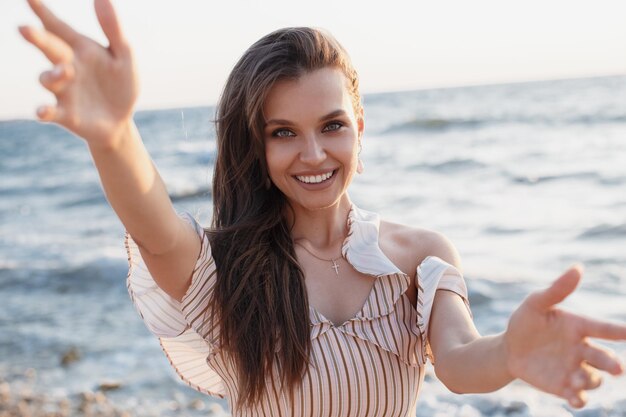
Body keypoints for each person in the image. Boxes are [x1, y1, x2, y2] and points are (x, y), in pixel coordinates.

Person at [19, 0, 626, 415]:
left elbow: (461, 360)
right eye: (282, 132)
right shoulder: (228, 269)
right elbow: (154, 231)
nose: (313, 153)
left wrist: (511, 354)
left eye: (332, 125)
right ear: (254, 146)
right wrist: (114, 134)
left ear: (359, 127)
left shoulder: (421, 256)